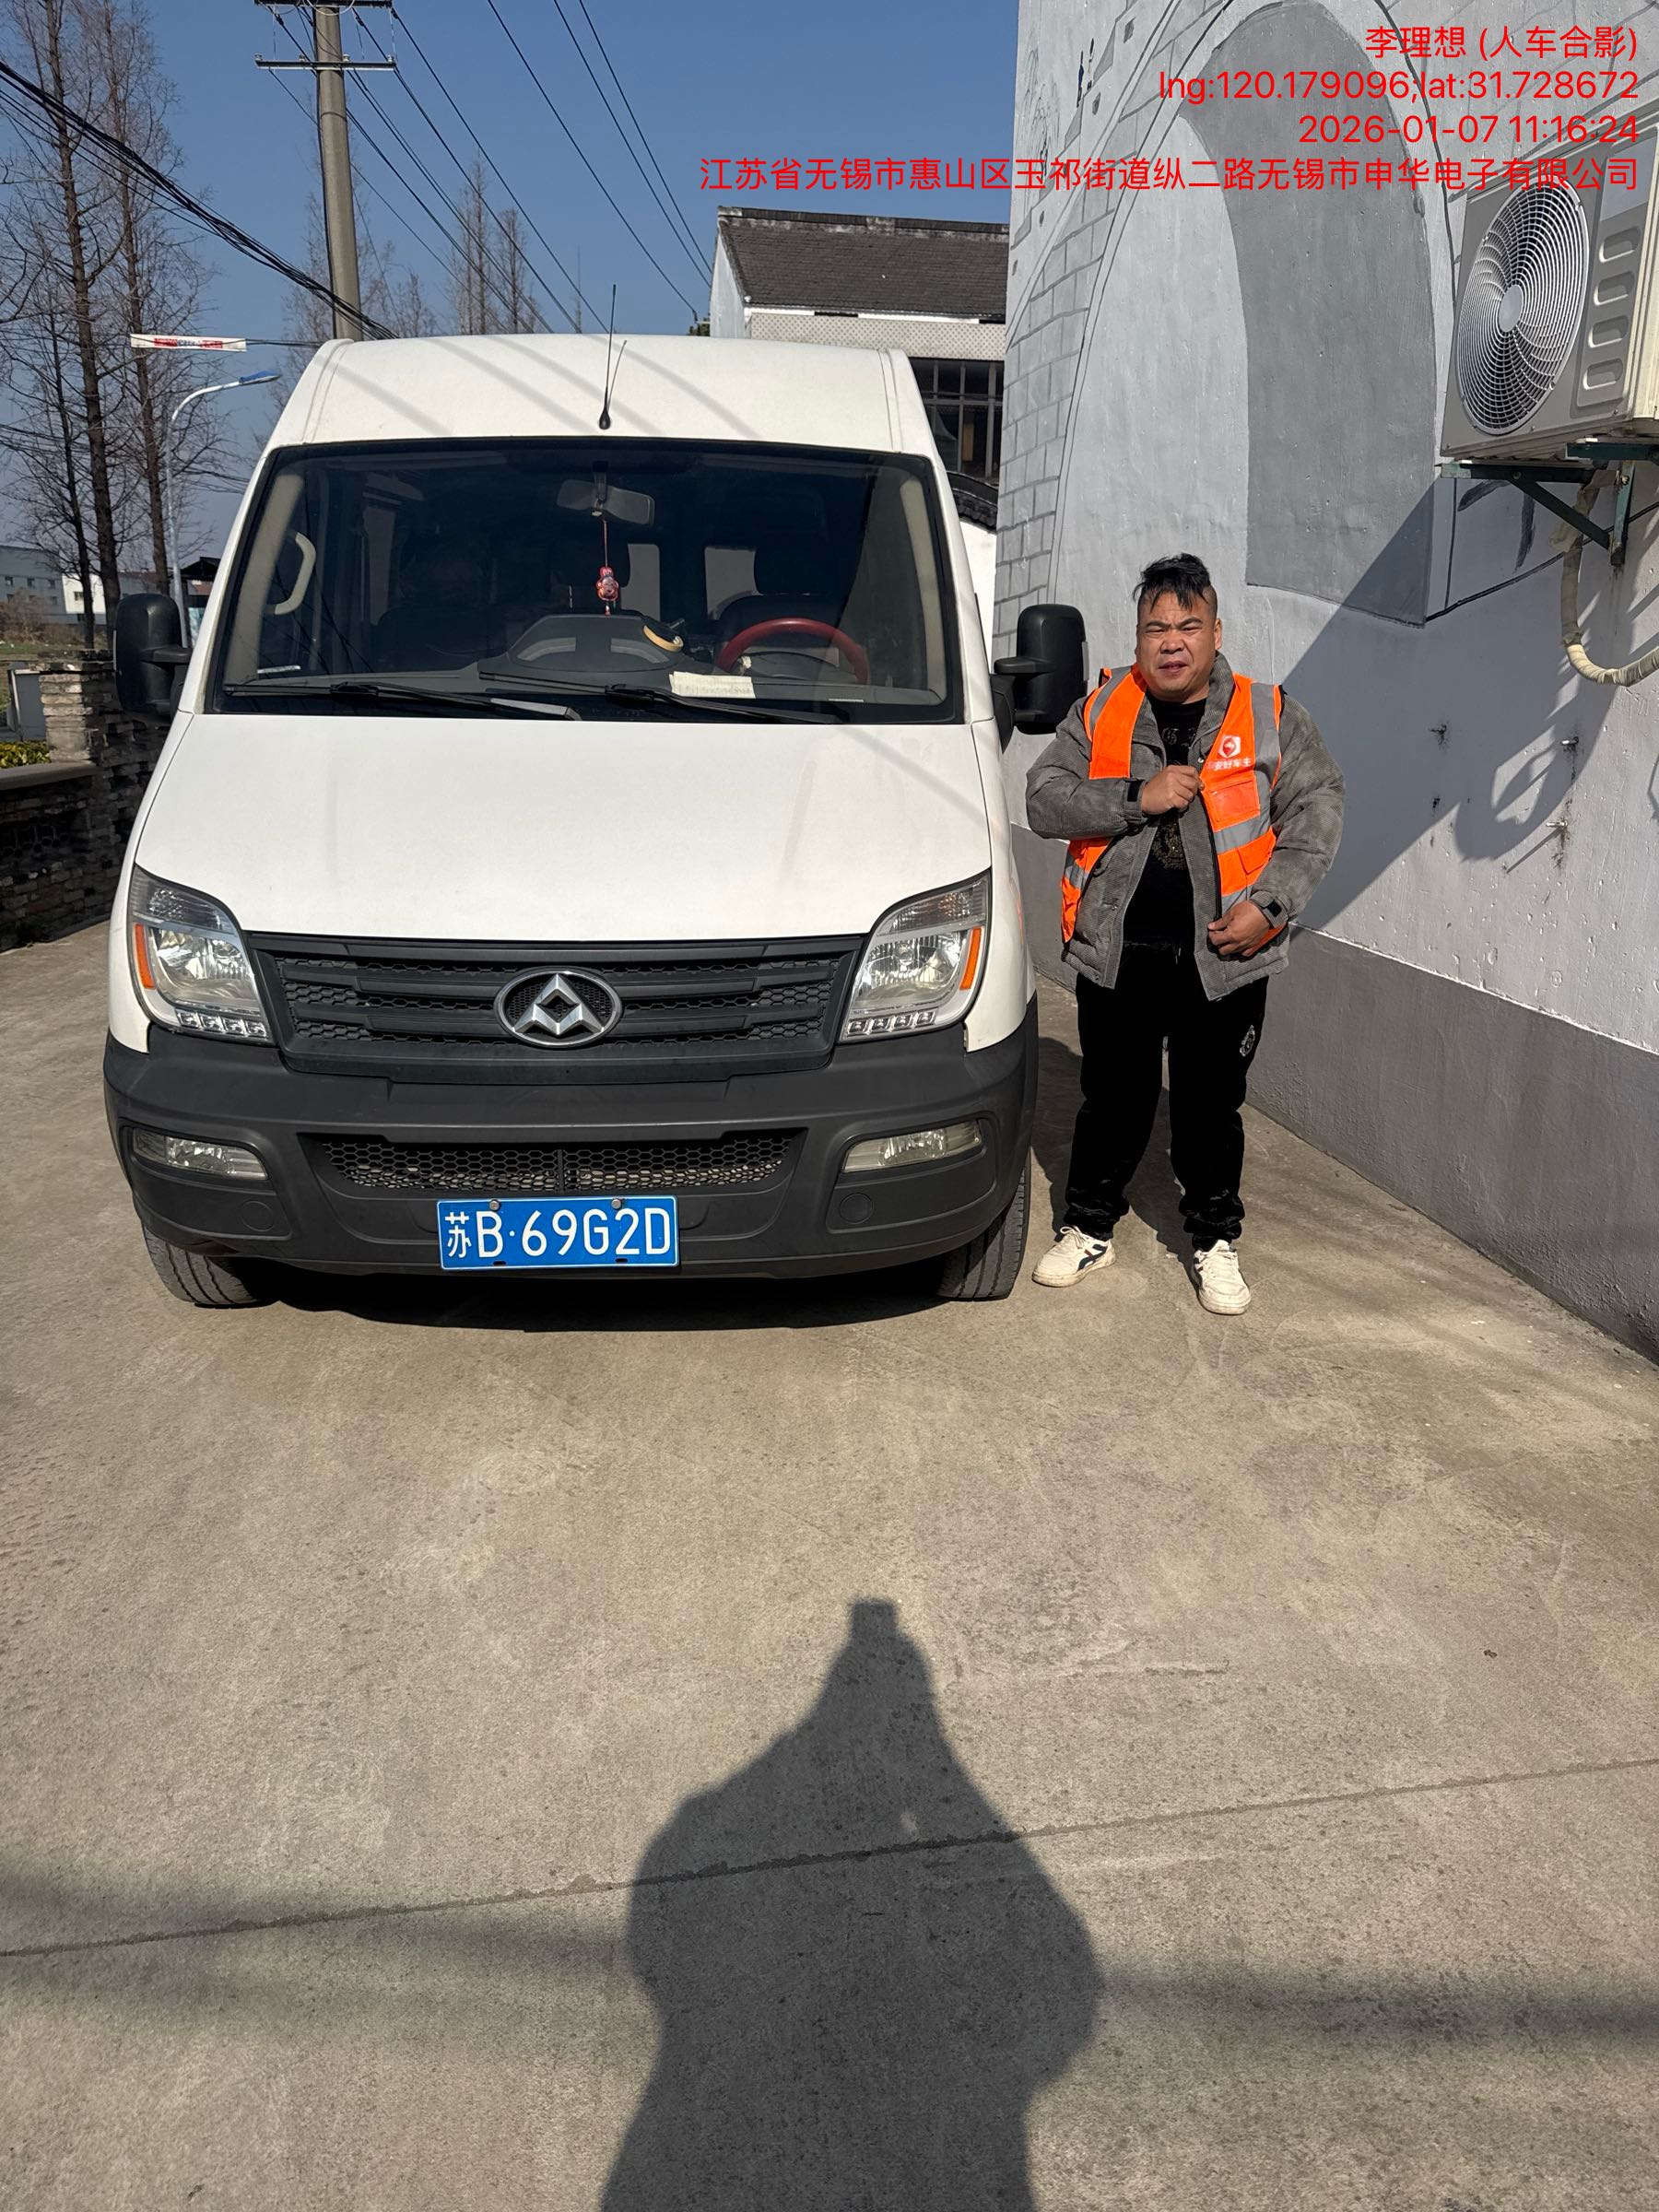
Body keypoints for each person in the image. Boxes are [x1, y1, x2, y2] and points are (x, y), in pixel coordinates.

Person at [1025, 553, 1344, 1313]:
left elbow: (1318, 811)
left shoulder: (1270, 714)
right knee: (1112, 1099)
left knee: (1210, 1106)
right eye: (1156, 628)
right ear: (1138, 638)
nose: (1172, 641)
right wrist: (1137, 795)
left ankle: (1214, 1237)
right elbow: (1044, 799)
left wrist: (1271, 907)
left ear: (1215, 633)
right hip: (1119, 950)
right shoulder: (1100, 710)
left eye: (1188, 626)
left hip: (1224, 955)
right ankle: (1088, 1225)